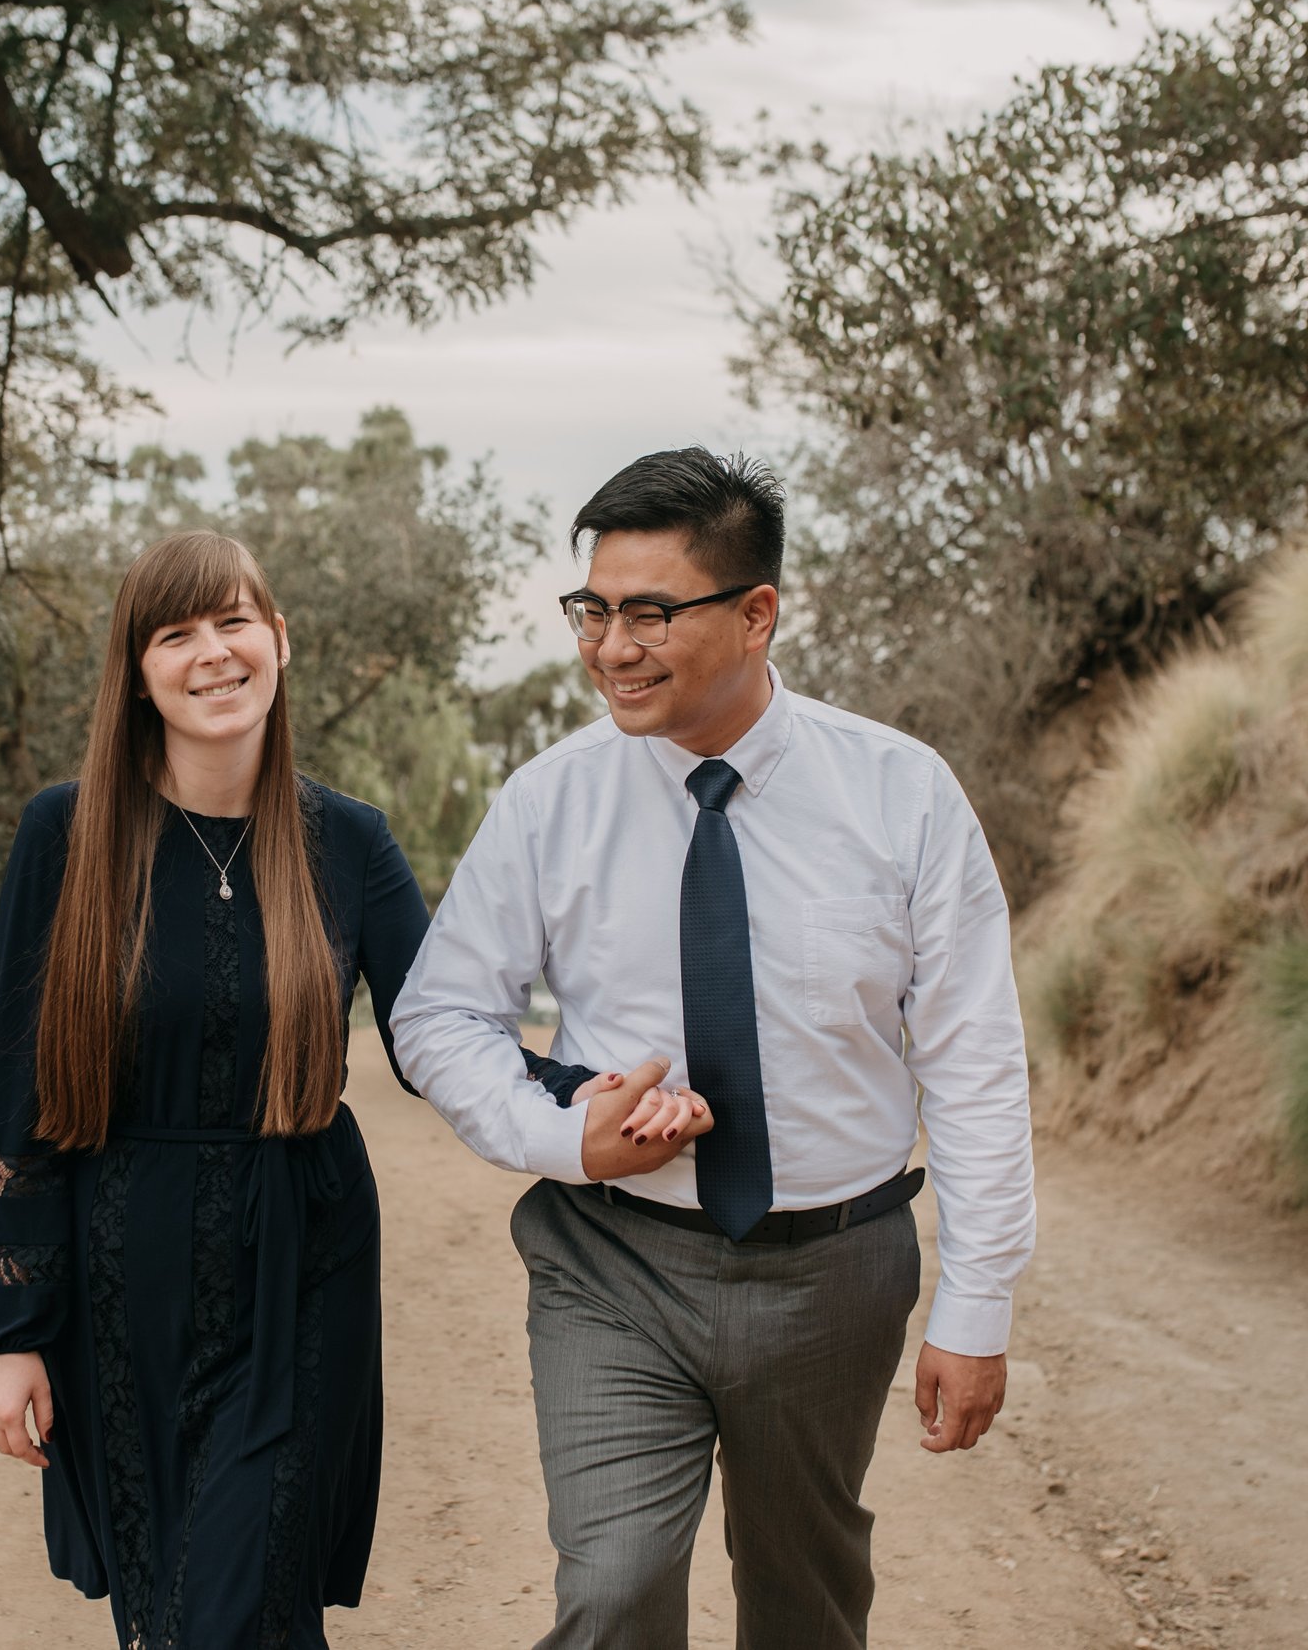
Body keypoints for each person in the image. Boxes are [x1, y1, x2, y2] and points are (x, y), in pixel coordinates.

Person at [0, 528, 674, 1648]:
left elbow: (437, 1028)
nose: (212, 654)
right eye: (175, 633)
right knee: (177, 1604)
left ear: (279, 641)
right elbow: (17, 1091)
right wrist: (8, 1331)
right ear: (137, 669)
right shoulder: (69, 831)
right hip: (124, 1271)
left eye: (234, 622)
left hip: (303, 1254)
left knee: (241, 1594)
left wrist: (584, 1091)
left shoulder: (346, 839)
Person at [390, 448, 1037, 1650]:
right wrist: (561, 1135)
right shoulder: (549, 800)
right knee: (614, 1591)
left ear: (755, 615)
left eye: (649, 612)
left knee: (805, 1605)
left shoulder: (902, 795)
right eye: (593, 608)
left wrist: (978, 1302)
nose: (609, 645)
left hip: (836, 1273)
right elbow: (439, 1014)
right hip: (611, 1266)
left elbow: (974, 1059)